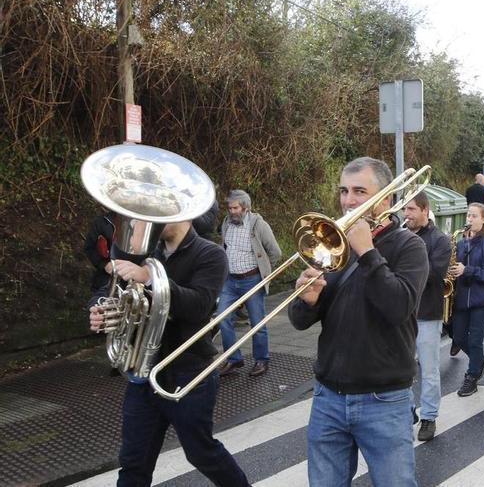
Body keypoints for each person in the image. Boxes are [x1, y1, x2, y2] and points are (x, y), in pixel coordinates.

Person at [288, 157, 428, 486]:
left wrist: (366, 251)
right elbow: (299, 320)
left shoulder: (410, 246)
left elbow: (398, 307)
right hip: (328, 397)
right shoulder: (331, 246)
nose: (348, 200)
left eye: (359, 191)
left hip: (384, 399)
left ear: (387, 197)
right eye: (344, 191)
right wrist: (306, 301)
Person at [88, 220, 249, 486]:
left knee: (201, 453)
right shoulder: (148, 253)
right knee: (133, 463)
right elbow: (109, 288)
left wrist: (152, 279)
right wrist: (100, 308)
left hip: (188, 373)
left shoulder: (210, 254)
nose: (149, 220)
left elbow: (199, 305)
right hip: (142, 374)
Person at [216, 190, 282, 377]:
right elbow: (225, 247)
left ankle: (261, 360)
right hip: (230, 281)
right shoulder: (226, 223)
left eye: (235, 208)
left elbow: (275, 253)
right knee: (222, 318)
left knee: (257, 323)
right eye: (229, 208)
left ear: (245, 207)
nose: (232, 211)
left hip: (252, 280)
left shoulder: (259, 225)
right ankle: (233, 359)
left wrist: (264, 271)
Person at [402, 191, 451, 442]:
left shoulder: (439, 240)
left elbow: (433, 275)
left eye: (411, 209)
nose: (406, 215)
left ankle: (429, 417)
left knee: (429, 370)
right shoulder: (399, 235)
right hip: (401, 313)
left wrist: (406, 263)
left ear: (424, 210)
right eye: (405, 210)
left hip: (427, 313)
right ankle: (407, 411)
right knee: (402, 367)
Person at [450, 203, 484, 396]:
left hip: (483, 300)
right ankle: (478, 361)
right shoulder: (461, 243)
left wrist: (467, 270)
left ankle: (472, 376)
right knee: (459, 337)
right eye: (468, 216)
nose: (469, 220)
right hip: (463, 298)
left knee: (475, 339)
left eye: (474, 216)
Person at [83, 210, 116, 296]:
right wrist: (104, 264)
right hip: (104, 281)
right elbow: (89, 248)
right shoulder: (102, 221)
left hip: (133, 283)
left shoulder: (144, 226)